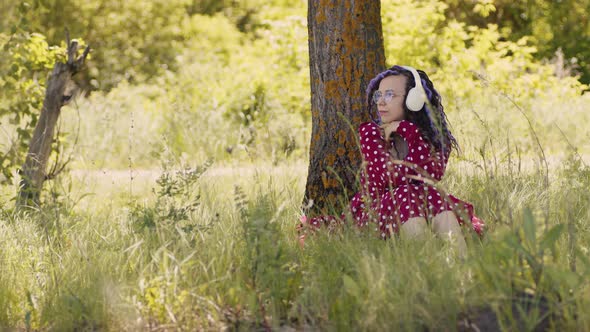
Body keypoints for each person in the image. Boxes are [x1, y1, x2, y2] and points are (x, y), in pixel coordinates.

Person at [299, 65, 484, 254]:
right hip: (375, 210)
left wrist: (408, 131)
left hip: (419, 202)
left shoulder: (433, 137)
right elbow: (387, 178)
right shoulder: (371, 133)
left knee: (430, 195)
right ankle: (425, 266)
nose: (381, 102)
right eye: (378, 95)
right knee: (410, 194)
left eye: (389, 95)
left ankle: (462, 265)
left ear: (414, 100)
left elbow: (431, 174)